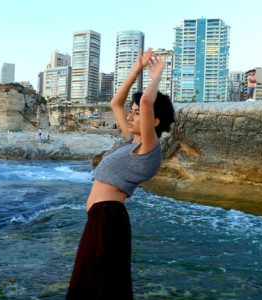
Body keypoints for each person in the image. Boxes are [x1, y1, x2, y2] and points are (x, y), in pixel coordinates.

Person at [66, 48, 175, 300]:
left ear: (154, 121)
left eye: (136, 113)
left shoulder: (149, 148)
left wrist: (156, 75)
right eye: (133, 111)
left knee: (100, 285)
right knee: (91, 282)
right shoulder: (130, 141)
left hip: (108, 218)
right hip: (100, 218)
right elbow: (115, 103)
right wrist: (136, 69)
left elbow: (147, 102)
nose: (130, 114)